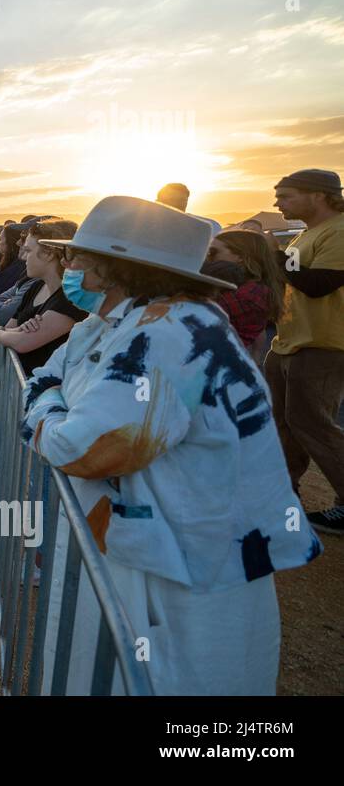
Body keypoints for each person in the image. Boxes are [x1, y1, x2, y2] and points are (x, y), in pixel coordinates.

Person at [23, 195, 321, 694]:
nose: (69, 266)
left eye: (78, 257)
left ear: (113, 268)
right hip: (158, 550)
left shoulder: (168, 334)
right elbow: (52, 374)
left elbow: (84, 448)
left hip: (187, 569)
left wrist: (41, 412)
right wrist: (51, 401)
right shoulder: (115, 324)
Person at [265, 168, 344, 534]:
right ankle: (281, 495)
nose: (277, 203)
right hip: (290, 341)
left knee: (314, 426)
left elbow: (318, 284)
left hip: (323, 344)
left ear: (318, 195)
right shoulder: (305, 233)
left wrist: (274, 257)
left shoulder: (340, 230)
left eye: (286, 195)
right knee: (284, 423)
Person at [0, 220, 85, 375]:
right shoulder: (36, 287)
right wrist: (16, 330)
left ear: (48, 254)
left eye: (28, 251)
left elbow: (22, 342)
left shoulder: (71, 301)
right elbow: (11, 328)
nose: (24, 257)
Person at [202, 229, 284, 358]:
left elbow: (201, 318)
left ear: (240, 256)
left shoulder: (249, 295)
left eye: (213, 252)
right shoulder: (243, 287)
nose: (208, 258)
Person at [156, 182, 221, 236]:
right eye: (171, 199)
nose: (177, 204)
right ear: (157, 202)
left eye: (182, 200)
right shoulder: (148, 227)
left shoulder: (208, 228)